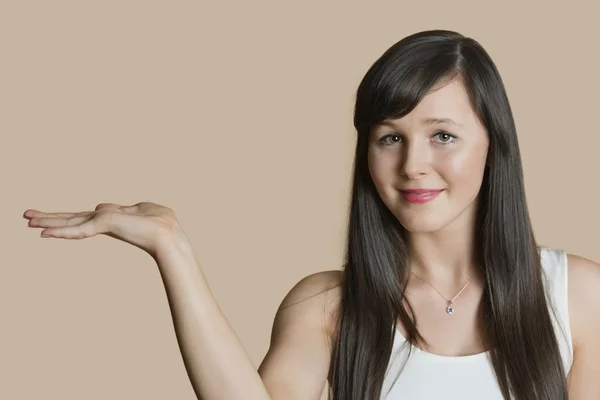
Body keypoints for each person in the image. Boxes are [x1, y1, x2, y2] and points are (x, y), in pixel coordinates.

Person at [22, 29, 600, 399]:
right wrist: (171, 246)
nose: (414, 165)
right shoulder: (327, 305)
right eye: (389, 138)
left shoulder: (580, 297)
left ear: (494, 145)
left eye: (443, 135)